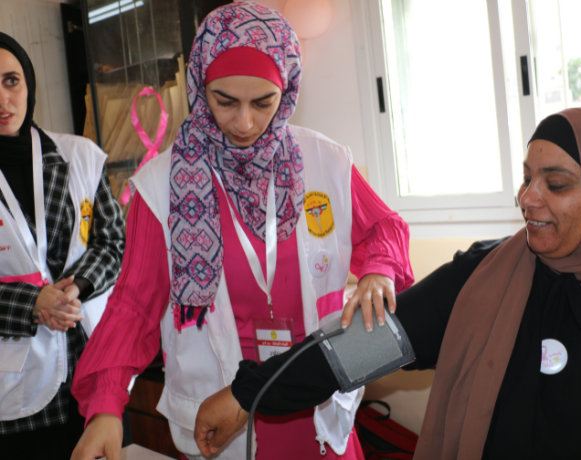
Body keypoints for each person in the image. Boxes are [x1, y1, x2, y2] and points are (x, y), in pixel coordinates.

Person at [196, 107, 581, 459]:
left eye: (555, 184)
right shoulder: (486, 275)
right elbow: (358, 348)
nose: (528, 198)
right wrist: (251, 392)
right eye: (528, 178)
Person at [71, 2, 413, 460]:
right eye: (225, 101)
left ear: (287, 90)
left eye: (263, 102)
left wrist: (378, 272)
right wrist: (105, 407)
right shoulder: (160, 187)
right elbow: (133, 305)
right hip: (220, 423)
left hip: (317, 410)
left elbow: (384, 229)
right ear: (199, 86)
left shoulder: (324, 162)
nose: (244, 123)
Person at [0, 33, 125, 460]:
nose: (3, 98)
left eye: (10, 80)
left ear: (28, 84)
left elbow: (113, 242)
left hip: (91, 370)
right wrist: (32, 302)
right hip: (16, 394)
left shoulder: (79, 156)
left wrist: (79, 287)